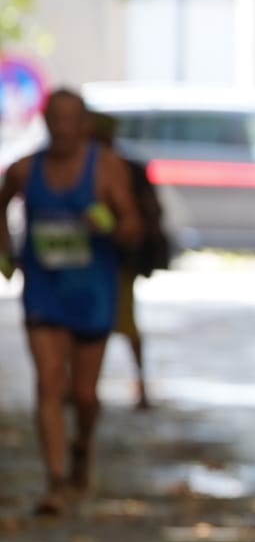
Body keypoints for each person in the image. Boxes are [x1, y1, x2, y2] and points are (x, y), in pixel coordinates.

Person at [0, 88, 142, 516]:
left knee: (83, 393)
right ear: (44, 121)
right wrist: (6, 252)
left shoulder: (107, 169)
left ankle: (83, 443)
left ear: (84, 125)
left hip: (93, 291)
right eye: (54, 118)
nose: (61, 128)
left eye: (70, 119)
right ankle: (56, 481)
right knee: (48, 381)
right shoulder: (25, 170)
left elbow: (132, 227)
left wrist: (106, 224)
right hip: (43, 289)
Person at [90, 112, 169, 411]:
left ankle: (138, 386)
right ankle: (86, 389)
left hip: (117, 259)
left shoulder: (123, 169)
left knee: (123, 322)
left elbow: (144, 218)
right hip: (88, 260)